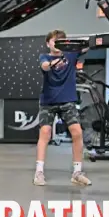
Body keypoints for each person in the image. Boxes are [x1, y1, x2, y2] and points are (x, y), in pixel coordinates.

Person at [34, 30, 91, 187]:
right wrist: (53, 63)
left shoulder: (71, 55)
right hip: (48, 102)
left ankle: (77, 173)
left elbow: (89, 44)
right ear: (48, 43)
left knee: (77, 132)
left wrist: (87, 41)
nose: (57, 44)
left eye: (60, 42)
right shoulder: (44, 57)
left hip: (67, 101)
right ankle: (39, 172)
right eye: (54, 41)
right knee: (45, 133)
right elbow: (45, 67)